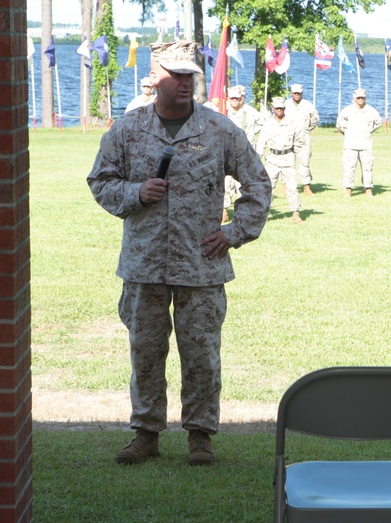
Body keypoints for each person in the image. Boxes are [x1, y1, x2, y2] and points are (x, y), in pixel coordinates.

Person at [86, 40, 272, 466]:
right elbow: (100, 181)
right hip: (144, 262)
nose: (186, 82)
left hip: (201, 264)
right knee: (145, 352)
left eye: (191, 74)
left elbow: (258, 184)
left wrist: (235, 232)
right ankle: (146, 433)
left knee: (202, 353)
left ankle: (200, 436)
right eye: (177, 75)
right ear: (156, 80)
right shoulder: (128, 129)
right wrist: (136, 192)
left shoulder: (220, 130)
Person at [256, 97, 305, 224]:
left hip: (288, 160)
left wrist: (294, 152)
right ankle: (264, 214)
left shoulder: (292, 123)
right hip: (272, 160)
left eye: (281, 108)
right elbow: (261, 143)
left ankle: (296, 213)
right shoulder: (268, 124)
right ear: (273, 109)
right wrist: (257, 159)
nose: (279, 110)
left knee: (292, 187)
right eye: (277, 108)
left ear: (284, 109)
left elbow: (300, 140)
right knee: (268, 188)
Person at [221, 85, 262, 222]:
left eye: (237, 99)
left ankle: (244, 213)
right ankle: (224, 211)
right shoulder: (222, 113)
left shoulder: (250, 113)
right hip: (226, 156)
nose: (234, 101)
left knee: (243, 185)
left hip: (243, 156)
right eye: (232, 98)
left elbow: (262, 125)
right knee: (225, 185)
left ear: (241, 99)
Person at [336, 88, 383, 197]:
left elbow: (378, 122)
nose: (360, 100)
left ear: (365, 98)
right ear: (354, 99)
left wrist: (369, 130)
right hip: (350, 144)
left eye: (362, 98)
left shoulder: (371, 110)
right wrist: (346, 132)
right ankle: (348, 188)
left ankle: (368, 188)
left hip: (365, 144)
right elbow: (339, 123)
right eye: (358, 98)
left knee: (367, 167)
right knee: (349, 167)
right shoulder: (348, 110)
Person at [284, 83, 319, 195]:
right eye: (295, 93)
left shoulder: (308, 105)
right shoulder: (286, 105)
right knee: (287, 163)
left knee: (304, 162)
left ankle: (306, 186)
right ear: (291, 93)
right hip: (288, 138)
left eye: (299, 93)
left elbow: (315, 119)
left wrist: (306, 129)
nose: (297, 95)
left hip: (303, 138)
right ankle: (285, 185)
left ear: (302, 93)